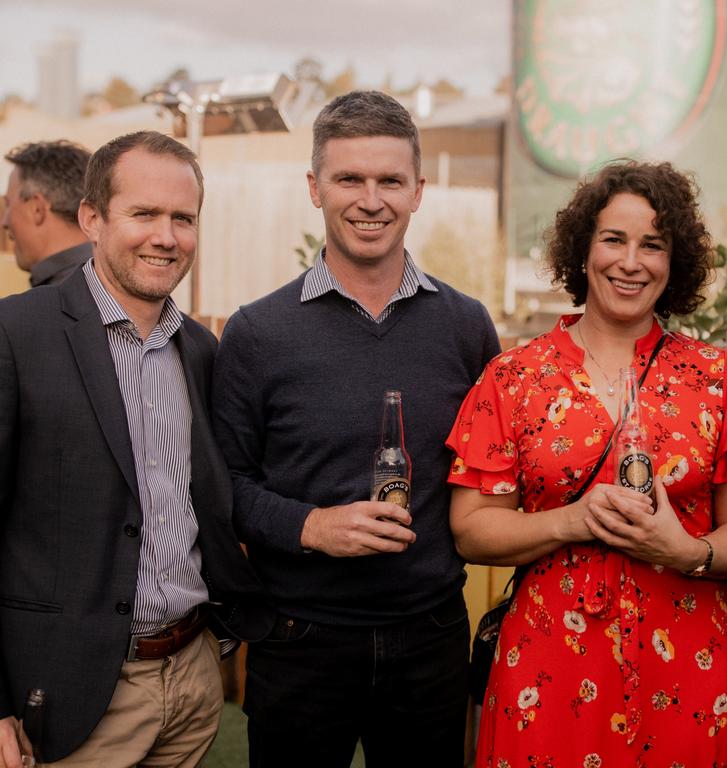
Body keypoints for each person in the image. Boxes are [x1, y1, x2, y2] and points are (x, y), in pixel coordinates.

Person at [448, 161, 727, 766]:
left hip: (691, 665)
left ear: (673, 264)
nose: (631, 262)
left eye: (652, 245)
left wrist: (686, 552)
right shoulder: (515, 377)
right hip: (547, 669)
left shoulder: (718, 378)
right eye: (613, 240)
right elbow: (472, 528)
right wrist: (572, 521)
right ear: (582, 251)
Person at [212, 90, 500, 767]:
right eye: (349, 179)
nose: (370, 200)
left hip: (431, 635)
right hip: (299, 641)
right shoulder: (257, 331)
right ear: (315, 188)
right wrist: (312, 527)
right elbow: (224, 485)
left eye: (389, 181)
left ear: (417, 191)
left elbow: (497, 472)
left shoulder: (466, 327)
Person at [0, 130, 269, 768]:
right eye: (144, 214)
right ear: (92, 218)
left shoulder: (202, 353)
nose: (166, 236)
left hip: (192, 681)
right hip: (71, 694)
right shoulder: (16, 334)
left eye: (183, 218)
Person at [2, 140, 92, 287]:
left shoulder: (44, 304)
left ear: (37, 209)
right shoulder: (122, 283)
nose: (4, 223)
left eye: (8, 205)